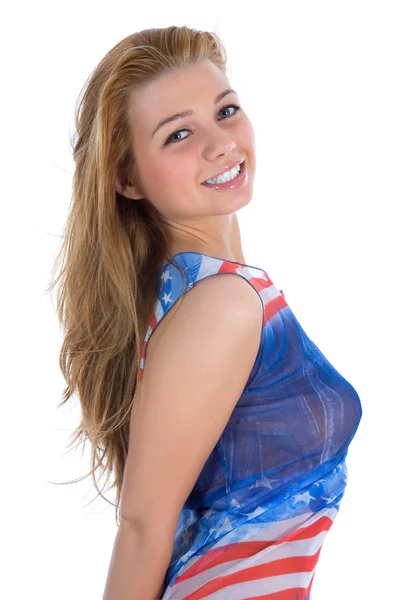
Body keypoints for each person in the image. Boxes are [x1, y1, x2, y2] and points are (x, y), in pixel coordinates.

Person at [49, 25, 362, 599]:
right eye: (179, 134)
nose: (220, 143)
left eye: (227, 110)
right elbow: (144, 530)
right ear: (127, 178)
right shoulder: (220, 304)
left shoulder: (206, 292)